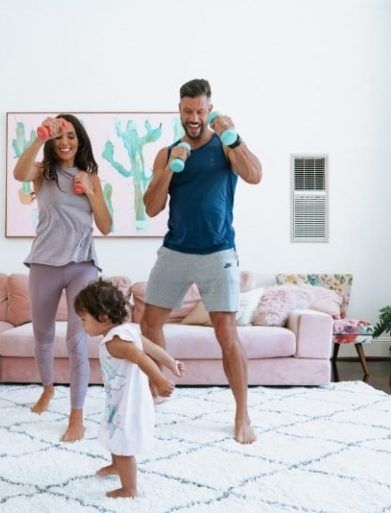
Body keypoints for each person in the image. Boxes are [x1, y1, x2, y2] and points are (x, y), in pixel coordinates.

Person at [141, 79, 263, 444]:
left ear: (209, 110)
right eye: (187, 111)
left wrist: (234, 138)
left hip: (218, 251)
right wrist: (169, 167)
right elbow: (151, 207)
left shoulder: (224, 146)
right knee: (149, 323)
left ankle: (242, 414)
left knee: (226, 333)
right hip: (175, 251)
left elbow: (255, 175)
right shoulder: (167, 152)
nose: (193, 118)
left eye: (199, 111)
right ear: (179, 110)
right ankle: (160, 389)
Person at [13, 114, 112, 442]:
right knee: (42, 336)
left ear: (79, 140)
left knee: (76, 340)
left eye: (71, 136)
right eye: (59, 137)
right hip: (44, 262)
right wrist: (39, 137)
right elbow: (19, 173)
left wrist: (91, 192)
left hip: (83, 264)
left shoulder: (91, 177)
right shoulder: (44, 173)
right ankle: (47, 388)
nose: (65, 142)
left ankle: (76, 416)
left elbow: (106, 226)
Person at [74, 279, 185, 498]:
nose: (82, 324)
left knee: (123, 441)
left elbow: (141, 356)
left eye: (84, 319)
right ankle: (116, 466)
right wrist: (171, 362)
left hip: (129, 402)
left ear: (103, 318)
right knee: (113, 432)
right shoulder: (128, 331)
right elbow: (151, 347)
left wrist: (160, 380)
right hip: (119, 397)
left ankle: (129, 488)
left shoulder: (116, 342)